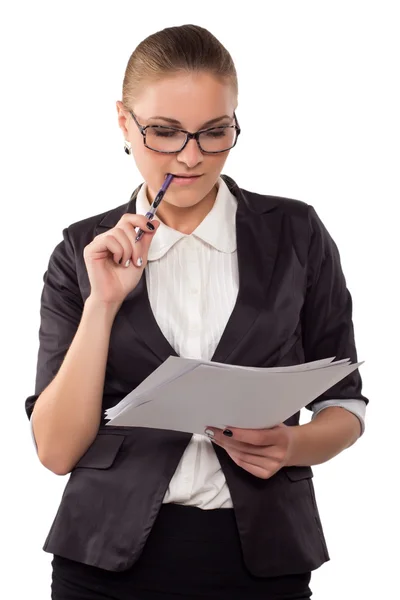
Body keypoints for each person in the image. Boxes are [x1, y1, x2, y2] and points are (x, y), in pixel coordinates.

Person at [26, 24, 368, 600]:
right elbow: (56, 451)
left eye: (215, 132)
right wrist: (102, 303)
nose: (191, 156)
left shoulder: (296, 234)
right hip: (102, 565)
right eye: (164, 132)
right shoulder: (79, 250)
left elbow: (345, 403)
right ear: (123, 122)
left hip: (264, 559)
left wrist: (291, 446)